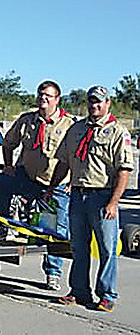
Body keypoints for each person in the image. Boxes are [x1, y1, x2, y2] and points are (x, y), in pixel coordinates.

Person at [46, 85, 133, 312]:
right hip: (77, 195)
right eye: (91, 101)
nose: (94, 105)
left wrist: (114, 202)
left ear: (107, 104)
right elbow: (63, 162)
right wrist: (52, 187)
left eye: (99, 102)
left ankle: (106, 294)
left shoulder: (117, 132)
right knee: (78, 247)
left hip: (102, 196)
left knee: (106, 249)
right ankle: (79, 291)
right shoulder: (76, 130)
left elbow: (124, 170)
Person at [0, 80, 75, 290]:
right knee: (1, 181)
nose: (42, 98)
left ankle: (53, 273)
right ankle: (1, 225)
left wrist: (73, 180)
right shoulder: (27, 120)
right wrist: (8, 165)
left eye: (48, 95)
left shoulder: (69, 125)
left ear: (57, 100)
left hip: (54, 184)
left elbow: (77, 155)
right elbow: (8, 143)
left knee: (52, 229)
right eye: (40, 94)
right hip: (28, 178)